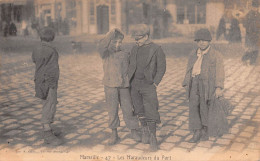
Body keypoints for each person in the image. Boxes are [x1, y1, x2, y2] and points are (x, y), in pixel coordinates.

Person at [98, 28, 141, 145]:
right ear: (109, 42)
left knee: (128, 109)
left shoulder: (125, 53)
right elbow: (102, 44)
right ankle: (114, 133)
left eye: (120, 42)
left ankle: (134, 130)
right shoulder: (105, 53)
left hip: (124, 86)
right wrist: (112, 32)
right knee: (112, 110)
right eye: (114, 42)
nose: (117, 44)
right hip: (110, 85)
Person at [182, 28, 225, 143]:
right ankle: (197, 130)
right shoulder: (193, 54)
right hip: (194, 83)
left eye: (205, 40)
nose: (202, 43)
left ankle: (205, 129)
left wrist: (218, 87)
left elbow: (220, 72)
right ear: (196, 41)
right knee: (193, 106)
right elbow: (188, 69)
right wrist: (186, 83)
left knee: (205, 106)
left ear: (209, 41)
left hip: (207, 85)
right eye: (199, 40)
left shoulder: (216, 55)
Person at [128, 24, 166, 151]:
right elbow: (130, 65)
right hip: (135, 84)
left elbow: (161, 68)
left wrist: (155, 83)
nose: (136, 41)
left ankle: (153, 137)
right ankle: (144, 130)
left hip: (148, 85)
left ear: (146, 37)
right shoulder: (134, 49)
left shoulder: (156, 49)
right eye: (135, 39)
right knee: (139, 109)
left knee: (151, 110)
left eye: (138, 38)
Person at [32, 27, 62, 146]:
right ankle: (47, 132)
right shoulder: (52, 50)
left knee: (46, 103)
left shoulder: (36, 48)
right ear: (52, 38)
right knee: (50, 105)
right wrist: (53, 83)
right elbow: (53, 69)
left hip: (39, 80)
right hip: (49, 82)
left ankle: (48, 127)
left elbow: (34, 60)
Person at [242, 0, 260, 65]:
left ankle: (253, 62)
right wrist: (249, 28)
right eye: (254, 7)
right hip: (250, 34)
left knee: (256, 49)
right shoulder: (249, 14)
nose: (255, 8)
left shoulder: (258, 15)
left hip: (257, 35)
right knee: (250, 49)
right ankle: (244, 59)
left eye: (257, 7)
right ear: (252, 7)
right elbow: (244, 23)